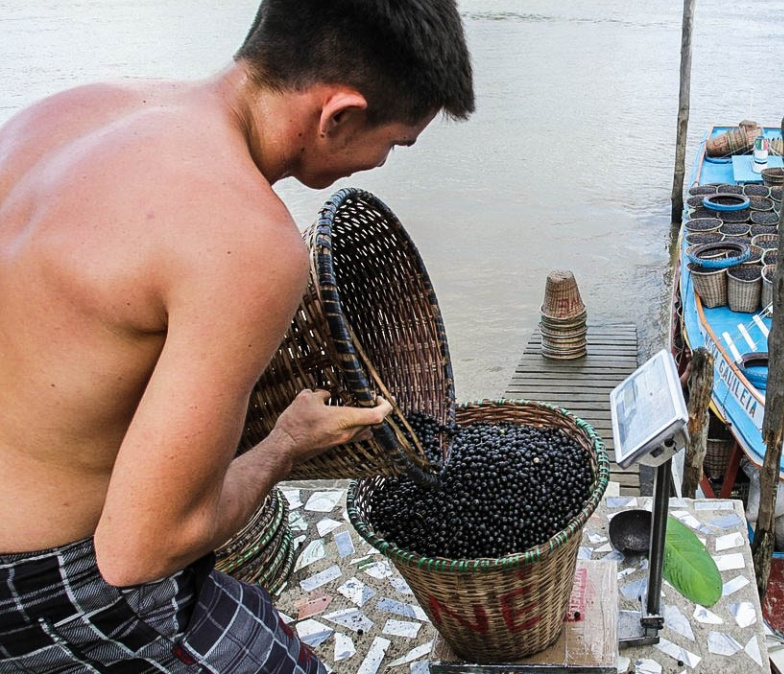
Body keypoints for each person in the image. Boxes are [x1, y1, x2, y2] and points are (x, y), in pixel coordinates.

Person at [0, 0, 474, 671]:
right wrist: (286, 443)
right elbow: (141, 551)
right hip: (41, 586)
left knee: (247, 613)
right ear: (338, 114)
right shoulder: (246, 239)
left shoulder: (77, 110)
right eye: (394, 144)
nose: (381, 163)